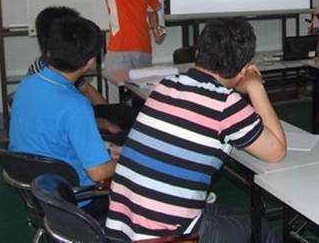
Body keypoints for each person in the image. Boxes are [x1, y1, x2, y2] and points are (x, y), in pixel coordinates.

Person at [105, 18, 286, 243]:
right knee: (260, 228)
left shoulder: (165, 85)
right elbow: (276, 151)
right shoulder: (225, 104)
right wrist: (254, 85)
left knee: (229, 213)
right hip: (166, 236)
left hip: (121, 225)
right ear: (242, 70)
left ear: (198, 52)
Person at [9, 16, 118, 218]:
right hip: (75, 199)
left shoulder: (28, 83)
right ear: (90, 62)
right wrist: (128, 158)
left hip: (35, 188)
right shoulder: (76, 105)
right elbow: (98, 173)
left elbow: (53, 124)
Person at [26, 6, 137, 144]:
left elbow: (86, 90)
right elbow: (71, 120)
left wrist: (108, 116)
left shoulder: (49, 71)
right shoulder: (74, 104)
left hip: (47, 141)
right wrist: (105, 125)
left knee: (125, 113)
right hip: (64, 144)